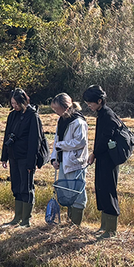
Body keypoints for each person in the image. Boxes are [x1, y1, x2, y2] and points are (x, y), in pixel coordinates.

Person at [0, 88, 44, 227]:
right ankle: (17, 217)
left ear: (24, 101)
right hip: (14, 156)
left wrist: (31, 163)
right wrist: (4, 157)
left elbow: (35, 141)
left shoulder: (33, 116)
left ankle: (26, 220)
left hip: (26, 157)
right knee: (16, 186)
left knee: (26, 187)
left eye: (17, 103)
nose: (15, 106)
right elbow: (7, 135)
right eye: (12, 103)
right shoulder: (12, 115)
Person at [83, 84, 123, 238]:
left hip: (109, 159)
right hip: (102, 158)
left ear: (99, 101)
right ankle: (104, 225)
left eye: (90, 103)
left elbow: (105, 138)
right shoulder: (101, 114)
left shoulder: (108, 115)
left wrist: (94, 153)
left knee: (108, 190)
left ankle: (111, 230)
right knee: (101, 189)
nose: (89, 105)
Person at [48, 93, 88, 226]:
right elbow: (57, 140)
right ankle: (70, 222)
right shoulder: (61, 120)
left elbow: (80, 142)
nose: (55, 111)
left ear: (65, 107)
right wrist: (54, 158)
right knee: (67, 192)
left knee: (77, 193)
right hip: (63, 162)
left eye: (56, 109)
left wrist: (61, 145)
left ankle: (76, 224)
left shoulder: (78, 121)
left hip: (76, 162)